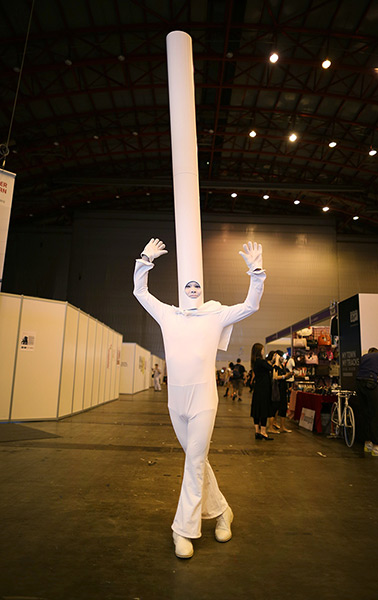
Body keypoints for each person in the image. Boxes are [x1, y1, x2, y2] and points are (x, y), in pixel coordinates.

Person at [133, 238, 266, 558]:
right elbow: (140, 292)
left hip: (204, 398)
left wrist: (256, 271)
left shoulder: (215, 315)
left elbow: (250, 306)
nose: (192, 289)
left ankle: (183, 530)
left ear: (201, 288)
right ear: (182, 288)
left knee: (193, 461)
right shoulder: (168, 314)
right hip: (176, 401)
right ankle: (222, 511)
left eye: (197, 285)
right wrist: (144, 260)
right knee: (198, 461)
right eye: (188, 285)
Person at [356, 347, 378, 456]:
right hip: (371, 384)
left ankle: (367, 443)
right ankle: (376, 446)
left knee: (365, 413)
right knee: (375, 414)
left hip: (360, 384)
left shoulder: (364, 357)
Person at [250, 343, 274, 440]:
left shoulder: (254, 362)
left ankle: (257, 431)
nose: (264, 351)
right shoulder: (261, 361)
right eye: (263, 350)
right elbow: (271, 368)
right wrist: (275, 361)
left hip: (257, 388)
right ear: (259, 351)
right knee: (264, 409)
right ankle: (263, 432)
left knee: (257, 409)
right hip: (264, 388)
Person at [271, 351, 292, 432]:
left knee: (283, 408)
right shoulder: (275, 366)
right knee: (275, 408)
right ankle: (272, 425)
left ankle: (283, 426)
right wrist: (284, 376)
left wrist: (288, 376)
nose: (282, 358)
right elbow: (275, 377)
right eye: (281, 356)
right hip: (277, 389)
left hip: (283, 388)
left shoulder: (282, 366)